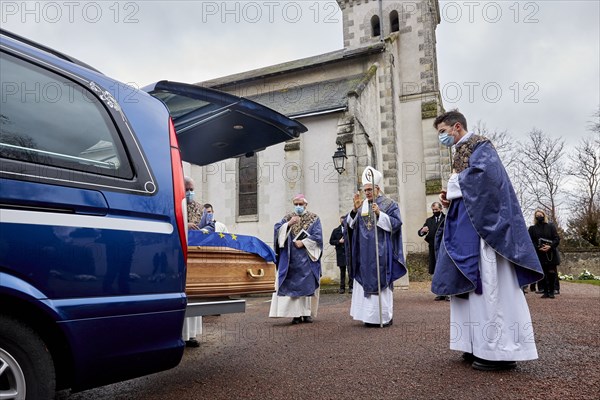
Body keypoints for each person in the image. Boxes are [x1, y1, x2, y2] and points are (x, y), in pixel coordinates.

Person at [431, 110, 544, 371]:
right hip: (465, 231)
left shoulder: (481, 146)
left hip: (485, 235)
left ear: (457, 127)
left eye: (442, 132)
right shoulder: (460, 153)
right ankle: (475, 345)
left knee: (490, 286)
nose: (441, 137)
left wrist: (454, 185)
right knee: (468, 289)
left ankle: (500, 351)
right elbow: (465, 190)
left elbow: (488, 180)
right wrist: (450, 198)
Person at [345, 167, 406, 327]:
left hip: (381, 252)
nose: (367, 193)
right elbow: (350, 226)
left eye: (370, 189)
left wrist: (380, 214)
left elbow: (396, 224)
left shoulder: (389, 204)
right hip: (363, 253)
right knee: (363, 282)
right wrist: (353, 211)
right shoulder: (362, 205)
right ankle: (368, 317)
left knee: (381, 281)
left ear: (377, 188)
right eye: (365, 190)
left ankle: (383, 317)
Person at [269, 194, 322, 324]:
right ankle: (296, 315)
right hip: (290, 260)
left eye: (300, 204)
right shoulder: (288, 217)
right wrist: (288, 224)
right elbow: (277, 230)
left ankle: (307, 313)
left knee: (307, 287)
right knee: (293, 288)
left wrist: (304, 242)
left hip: (307, 259)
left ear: (306, 205)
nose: (298, 206)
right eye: (296, 204)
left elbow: (318, 236)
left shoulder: (314, 219)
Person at [182, 176, 203, 347]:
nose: (189, 192)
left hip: (197, 256)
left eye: (191, 189)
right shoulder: (174, 205)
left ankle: (192, 335)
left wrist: (202, 230)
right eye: (186, 189)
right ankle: (179, 334)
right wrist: (185, 224)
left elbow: (210, 226)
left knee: (195, 293)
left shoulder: (201, 208)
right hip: (180, 255)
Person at [528, 209, 561, 299]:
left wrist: (550, 246)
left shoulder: (551, 227)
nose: (539, 217)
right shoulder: (532, 229)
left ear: (544, 216)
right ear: (535, 217)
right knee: (543, 273)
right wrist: (538, 248)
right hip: (539, 253)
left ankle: (552, 291)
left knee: (551, 272)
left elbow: (556, 238)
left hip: (551, 253)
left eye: (541, 215)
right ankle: (545, 291)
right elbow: (531, 241)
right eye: (537, 216)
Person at [418, 202, 447, 301]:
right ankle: (440, 293)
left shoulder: (446, 219)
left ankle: (447, 293)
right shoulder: (429, 220)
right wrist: (423, 231)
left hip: (444, 249)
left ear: (441, 209)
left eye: (436, 210)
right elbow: (420, 232)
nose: (435, 212)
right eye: (433, 210)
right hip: (433, 249)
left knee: (444, 270)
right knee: (436, 271)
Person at [329, 216, 352, 294]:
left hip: (349, 254)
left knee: (350, 271)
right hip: (340, 254)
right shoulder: (336, 231)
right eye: (342, 221)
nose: (343, 222)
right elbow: (331, 241)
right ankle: (342, 288)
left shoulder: (350, 230)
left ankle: (351, 287)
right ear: (340, 221)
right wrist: (339, 241)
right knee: (342, 272)